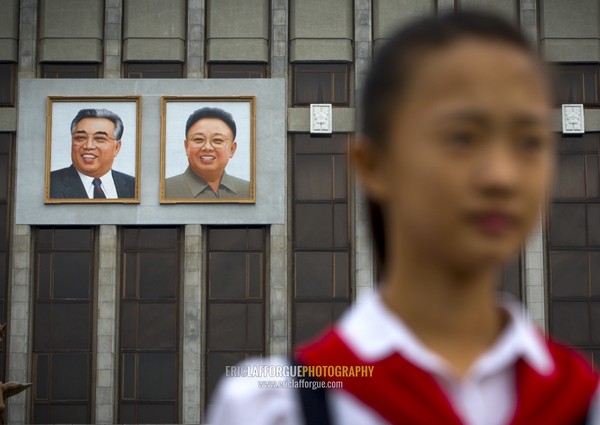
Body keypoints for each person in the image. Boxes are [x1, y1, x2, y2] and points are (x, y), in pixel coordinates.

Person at [207, 11, 600, 425]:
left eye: (529, 142)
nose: (502, 176)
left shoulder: (580, 401)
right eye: (462, 137)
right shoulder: (276, 405)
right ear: (373, 165)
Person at [164, 107, 250, 199]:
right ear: (186, 147)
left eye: (217, 140)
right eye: (198, 139)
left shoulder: (248, 191)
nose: (207, 147)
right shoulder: (165, 190)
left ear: (232, 149)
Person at [49, 108, 135, 199]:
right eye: (80, 137)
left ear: (116, 148)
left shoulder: (133, 186)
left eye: (99, 139)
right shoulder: (49, 184)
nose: (88, 146)